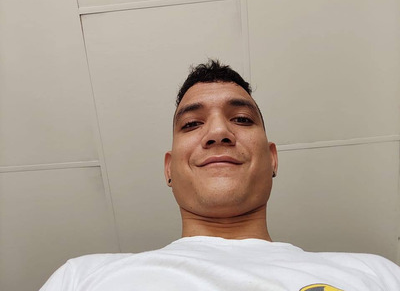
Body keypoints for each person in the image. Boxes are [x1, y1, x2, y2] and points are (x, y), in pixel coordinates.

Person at [40, 60, 400, 290]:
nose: (217, 132)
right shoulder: (81, 277)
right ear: (169, 168)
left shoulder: (376, 274)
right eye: (192, 124)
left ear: (272, 158)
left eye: (241, 119)